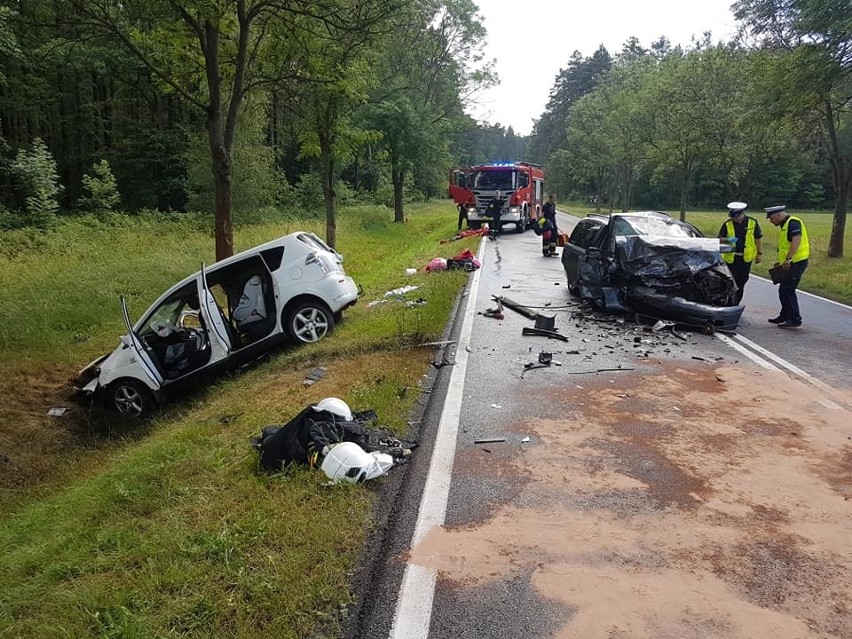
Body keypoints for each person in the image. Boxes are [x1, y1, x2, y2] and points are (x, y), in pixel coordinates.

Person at [765, 204, 809, 328]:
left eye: (771, 218)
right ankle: (785, 315)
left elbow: (796, 240)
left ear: (778, 215)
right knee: (783, 290)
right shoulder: (785, 225)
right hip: (791, 263)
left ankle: (794, 318)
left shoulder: (793, 223)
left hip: (797, 263)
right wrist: (781, 261)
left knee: (788, 290)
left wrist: (788, 259)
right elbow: (786, 245)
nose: (771, 221)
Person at [717, 201, 763, 304]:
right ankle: (727, 302)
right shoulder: (727, 224)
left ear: (742, 213)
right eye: (732, 217)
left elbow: (758, 238)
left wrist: (759, 254)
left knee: (741, 283)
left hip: (745, 259)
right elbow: (719, 239)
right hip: (731, 259)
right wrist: (730, 240)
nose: (734, 219)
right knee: (729, 282)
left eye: (736, 217)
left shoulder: (752, 222)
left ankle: (735, 303)